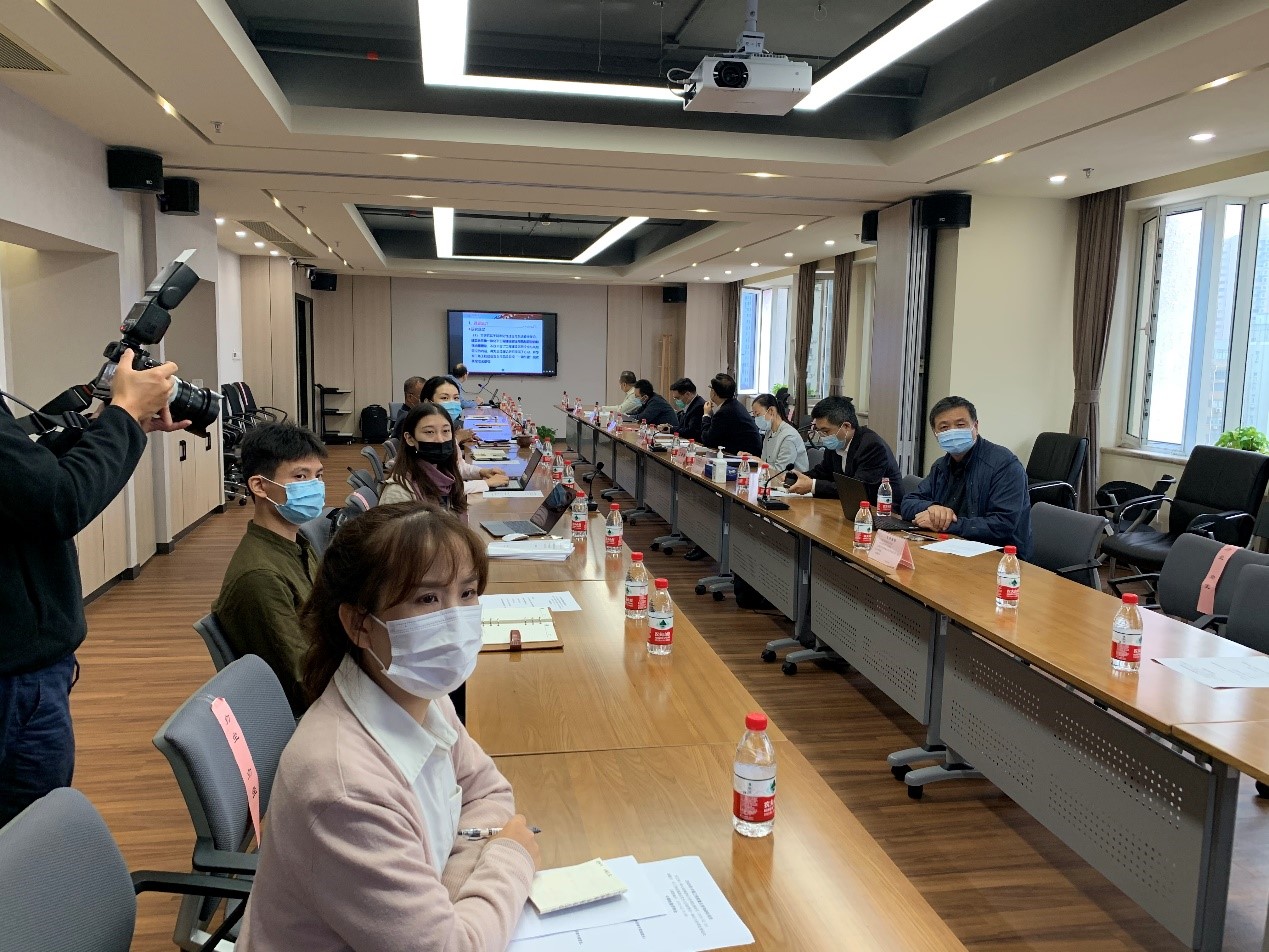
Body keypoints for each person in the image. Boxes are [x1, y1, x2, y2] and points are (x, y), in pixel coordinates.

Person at [238, 503, 540, 950]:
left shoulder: (418, 695)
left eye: (467, 593)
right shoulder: (345, 789)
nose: (455, 619)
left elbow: (488, 793)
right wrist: (510, 856)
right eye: (427, 599)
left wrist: (447, 895)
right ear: (359, 624)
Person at [0, 350, 188, 827]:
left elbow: (25, 482)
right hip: (15, 681)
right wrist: (123, 415)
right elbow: (57, 502)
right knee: (28, 838)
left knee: (30, 839)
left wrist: (115, 424)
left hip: (28, 669)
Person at [213, 423, 328, 716]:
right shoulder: (261, 577)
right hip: (316, 712)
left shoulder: (297, 544)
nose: (314, 486)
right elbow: (305, 681)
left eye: (318, 476)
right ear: (259, 486)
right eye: (300, 476)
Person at [900, 395, 1033, 557]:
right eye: (944, 427)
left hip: (1001, 558)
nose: (953, 431)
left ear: (975, 426)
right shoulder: (941, 466)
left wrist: (945, 524)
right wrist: (933, 508)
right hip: (952, 548)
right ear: (936, 434)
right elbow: (907, 503)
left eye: (960, 425)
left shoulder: (1004, 465)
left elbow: (1002, 525)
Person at [787, 396, 902, 501]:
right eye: (819, 431)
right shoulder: (836, 443)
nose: (823, 437)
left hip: (882, 510)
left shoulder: (872, 446)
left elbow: (857, 488)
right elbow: (824, 472)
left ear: (846, 426)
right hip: (850, 504)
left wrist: (812, 486)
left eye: (826, 431)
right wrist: (794, 478)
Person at [381, 402, 471, 514]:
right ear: (410, 439)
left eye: (446, 431)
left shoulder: (446, 474)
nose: (440, 439)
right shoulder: (398, 492)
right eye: (429, 432)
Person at [421, 377, 508, 491]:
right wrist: (486, 483)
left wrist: (482, 472)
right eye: (444, 398)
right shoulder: (424, 433)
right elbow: (439, 488)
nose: (452, 403)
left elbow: (456, 468)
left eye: (456, 398)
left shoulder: (447, 429)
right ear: (428, 402)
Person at [699, 373, 762, 456]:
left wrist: (706, 415)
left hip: (746, 455)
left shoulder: (725, 411)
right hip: (746, 451)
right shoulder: (734, 405)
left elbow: (707, 440)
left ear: (714, 392)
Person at [751, 392, 808, 473]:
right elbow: (765, 462)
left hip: (791, 479)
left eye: (758, 414)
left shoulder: (789, 436)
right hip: (771, 477)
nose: (756, 419)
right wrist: (751, 459)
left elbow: (780, 473)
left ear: (771, 411)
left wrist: (759, 462)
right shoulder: (769, 432)